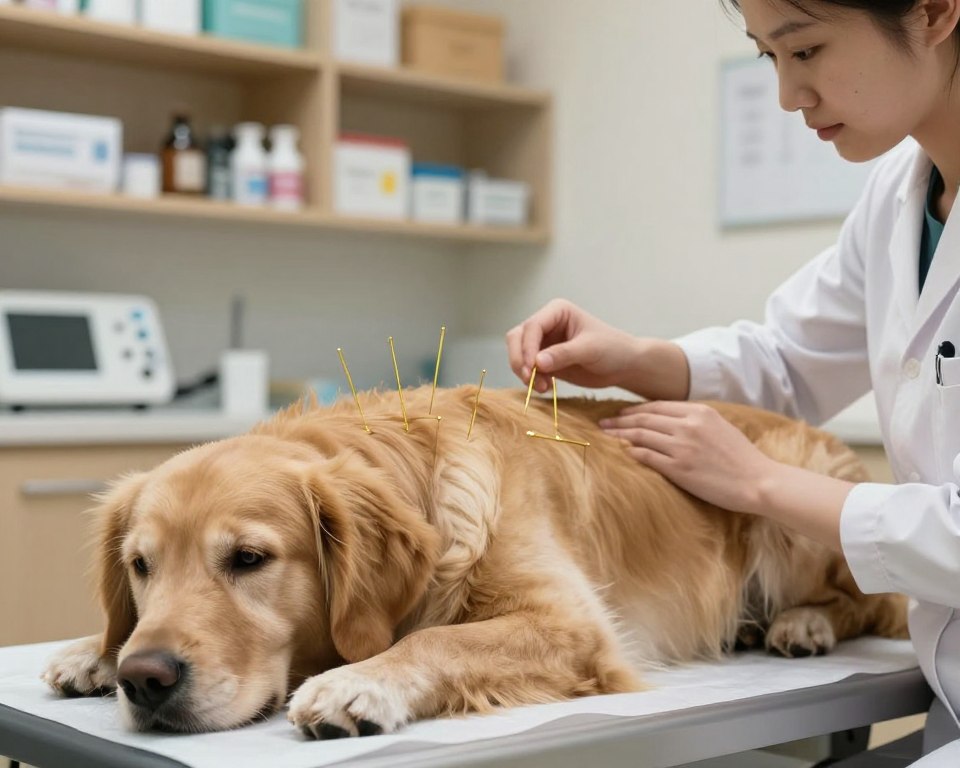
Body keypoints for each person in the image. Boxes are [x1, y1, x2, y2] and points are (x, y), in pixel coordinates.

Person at [506, 1, 960, 765]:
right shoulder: (898, 200)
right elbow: (788, 358)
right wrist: (637, 358)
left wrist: (760, 483)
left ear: (936, 11)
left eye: (807, 50)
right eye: (768, 58)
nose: (788, 95)